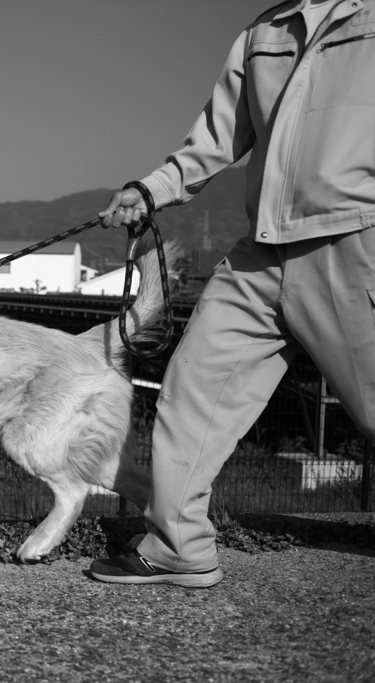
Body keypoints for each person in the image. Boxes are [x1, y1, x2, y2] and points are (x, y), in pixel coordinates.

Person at [90, 0, 375, 588]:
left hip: (356, 239)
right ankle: (177, 546)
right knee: (192, 389)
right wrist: (152, 189)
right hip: (262, 251)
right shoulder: (264, 30)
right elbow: (218, 136)